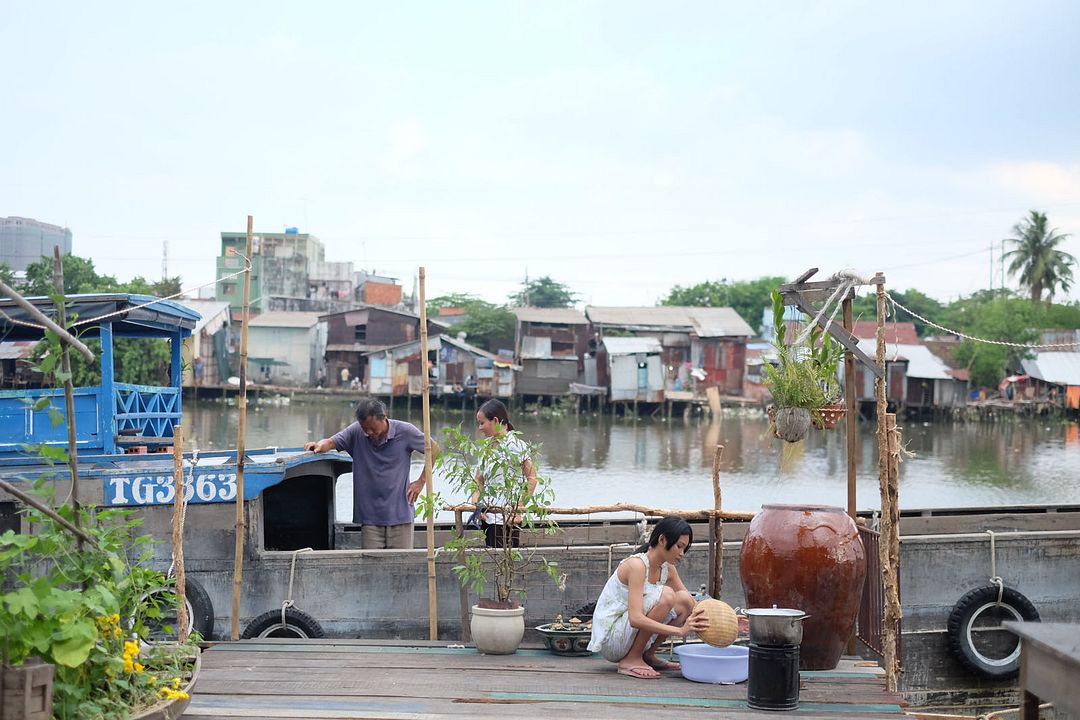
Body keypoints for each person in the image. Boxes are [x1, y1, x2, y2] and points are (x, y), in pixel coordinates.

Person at [304, 397, 438, 549]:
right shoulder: (356, 431)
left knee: (400, 567)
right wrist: (318, 445)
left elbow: (434, 450)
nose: (369, 432)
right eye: (365, 428)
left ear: (384, 417)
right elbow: (331, 442)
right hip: (370, 518)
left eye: (373, 428)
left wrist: (420, 482)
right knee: (372, 568)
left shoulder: (405, 431)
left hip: (400, 515)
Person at [586, 516, 706, 679]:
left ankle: (647, 655)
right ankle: (631, 659)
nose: (682, 553)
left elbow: (693, 605)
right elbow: (635, 619)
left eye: (685, 548)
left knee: (684, 601)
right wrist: (679, 631)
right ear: (662, 539)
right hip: (612, 639)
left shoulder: (667, 569)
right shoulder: (637, 565)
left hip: (628, 634)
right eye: (679, 546)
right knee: (667, 595)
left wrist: (729, 619)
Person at [471, 399, 535, 548]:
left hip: (507, 519)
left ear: (495, 421)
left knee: (507, 566)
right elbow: (478, 481)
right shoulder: (486, 447)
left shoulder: (516, 445)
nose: (480, 428)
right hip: (487, 518)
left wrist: (518, 507)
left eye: (482, 423)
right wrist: (476, 505)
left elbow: (532, 478)